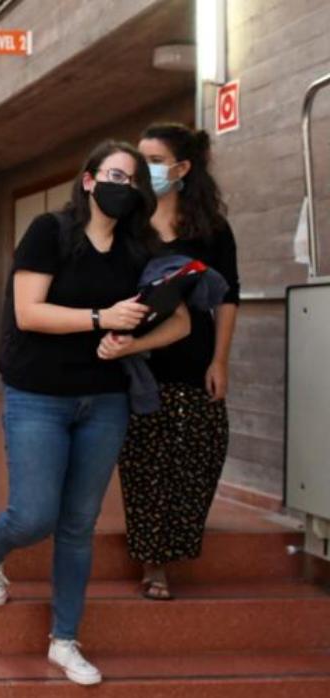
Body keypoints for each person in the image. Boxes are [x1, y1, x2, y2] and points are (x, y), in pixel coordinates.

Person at [0, 141, 191, 686]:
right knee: (33, 516)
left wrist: (131, 346)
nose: (124, 184)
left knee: (78, 525)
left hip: (106, 401)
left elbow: (181, 323)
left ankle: (65, 640)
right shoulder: (50, 231)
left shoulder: (139, 250)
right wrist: (102, 319)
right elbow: (29, 312)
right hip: (37, 394)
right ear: (90, 181)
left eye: (133, 178)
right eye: (114, 173)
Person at [117, 124, 240, 601]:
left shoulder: (209, 228)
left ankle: (175, 544)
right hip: (138, 360)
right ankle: (154, 564)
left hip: (194, 357)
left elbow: (229, 297)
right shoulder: (130, 222)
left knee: (200, 452)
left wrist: (221, 360)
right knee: (145, 462)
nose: (145, 168)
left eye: (153, 159)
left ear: (181, 168)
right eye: (139, 157)